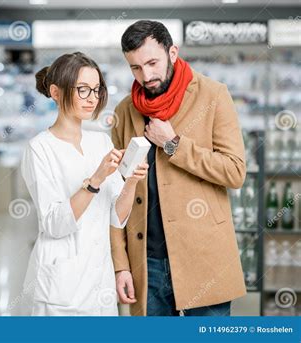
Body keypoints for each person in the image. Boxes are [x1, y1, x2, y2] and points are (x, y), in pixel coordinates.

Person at [111, 20, 247, 316]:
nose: (145, 75)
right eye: (135, 67)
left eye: (152, 63)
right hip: (147, 262)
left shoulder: (213, 95)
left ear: (172, 52)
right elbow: (115, 194)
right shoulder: (125, 111)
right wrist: (121, 265)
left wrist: (173, 144)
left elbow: (235, 171)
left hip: (203, 255)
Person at [19, 52, 149, 316]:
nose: (92, 98)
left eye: (97, 89)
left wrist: (131, 182)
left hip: (99, 282)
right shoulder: (40, 149)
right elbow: (54, 224)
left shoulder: (100, 141)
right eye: (83, 90)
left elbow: (117, 217)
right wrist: (95, 180)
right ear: (56, 92)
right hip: (60, 289)